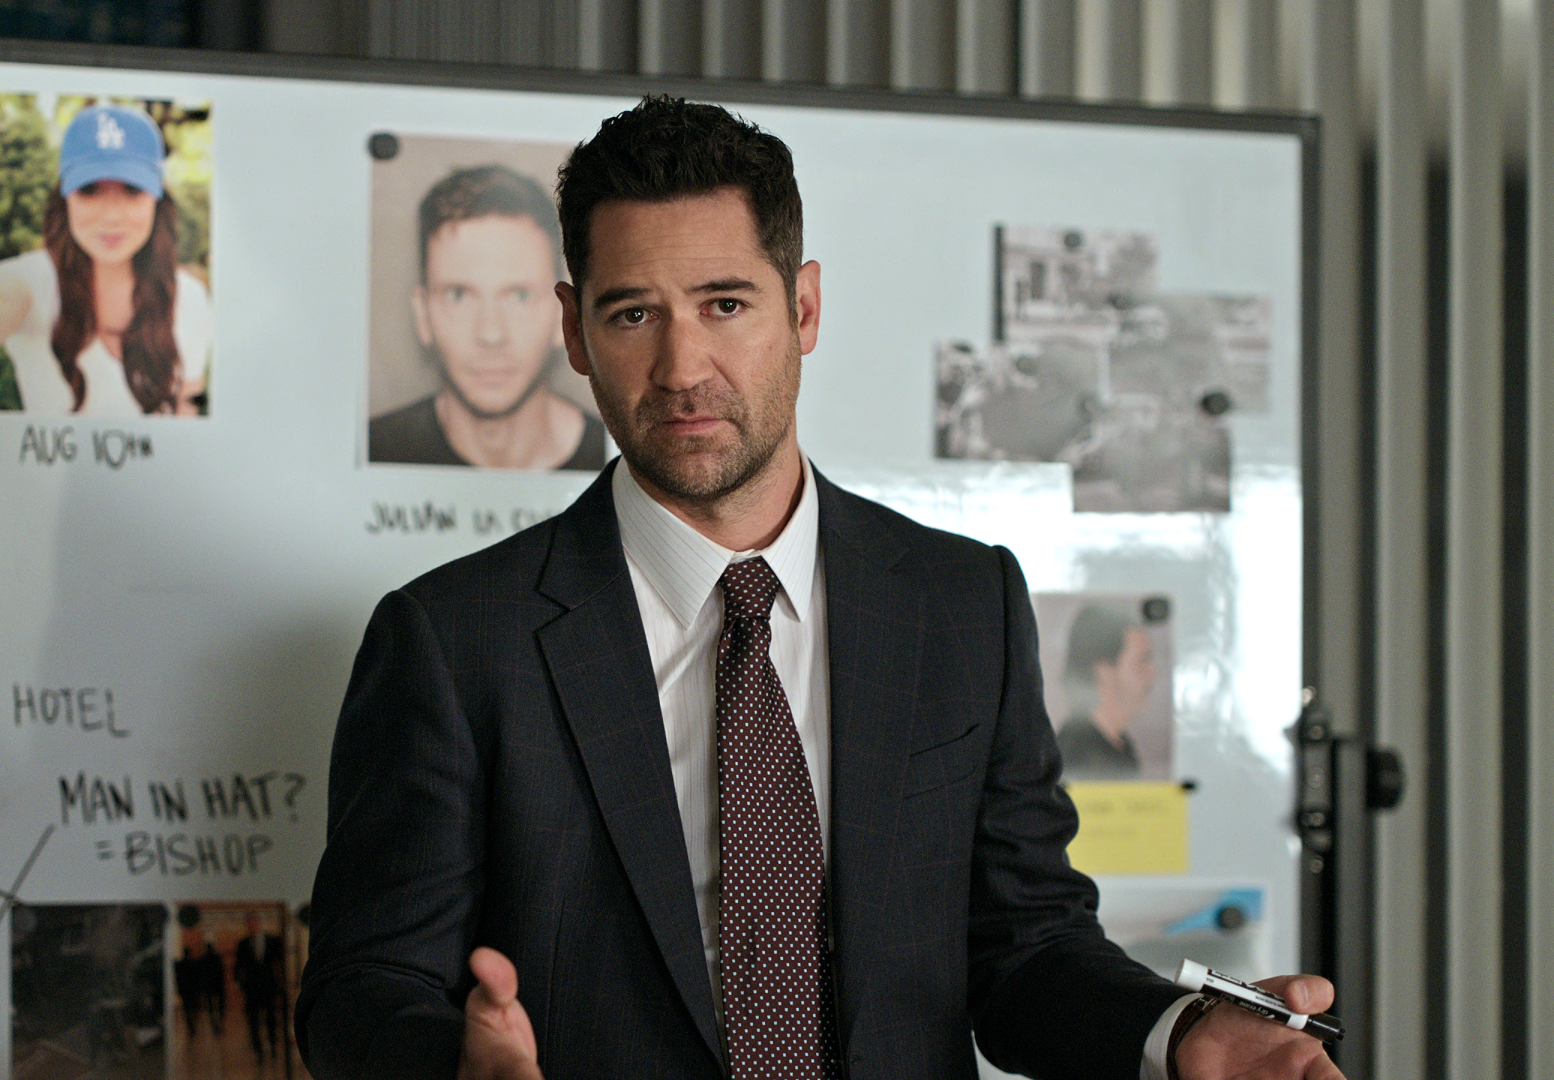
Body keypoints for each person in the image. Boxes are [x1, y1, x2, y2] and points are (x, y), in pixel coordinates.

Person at [299, 96, 1343, 1080]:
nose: (681, 366)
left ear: (803, 307)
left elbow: (1024, 949)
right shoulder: (452, 641)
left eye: (725, 303)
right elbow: (362, 986)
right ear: (573, 333)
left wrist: (1180, 1035)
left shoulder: (961, 605)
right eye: (631, 315)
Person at [0, 103, 211, 417]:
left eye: (132, 190)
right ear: (65, 201)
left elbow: (187, 408)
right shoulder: (31, 280)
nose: (110, 215)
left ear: (157, 203)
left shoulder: (189, 297)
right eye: (89, 190)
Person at [368, 165, 607, 470]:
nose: (491, 333)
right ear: (423, 315)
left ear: (565, 314)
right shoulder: (373, 452)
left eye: (519, 296)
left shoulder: (623, 465)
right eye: (459, 295)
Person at [1055, 603, 1155, 780]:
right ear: (1104, 672)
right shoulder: (1078, 754)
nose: (1151, 675)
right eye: (1141, 662)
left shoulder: (1121, 745)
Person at [236, 911, 290, 1075]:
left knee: (271, 1017)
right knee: (253, 1020)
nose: (251, 926)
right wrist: (239, 983)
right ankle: (258, 1050)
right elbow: (239, 966)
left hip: (268, 986)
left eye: (253, 923)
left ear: (258, 923)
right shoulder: (243, 944)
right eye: (248, 924)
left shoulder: (272, 941)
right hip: (251, 988)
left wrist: (281, 984)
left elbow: (279, 963)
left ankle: (273, 1045)